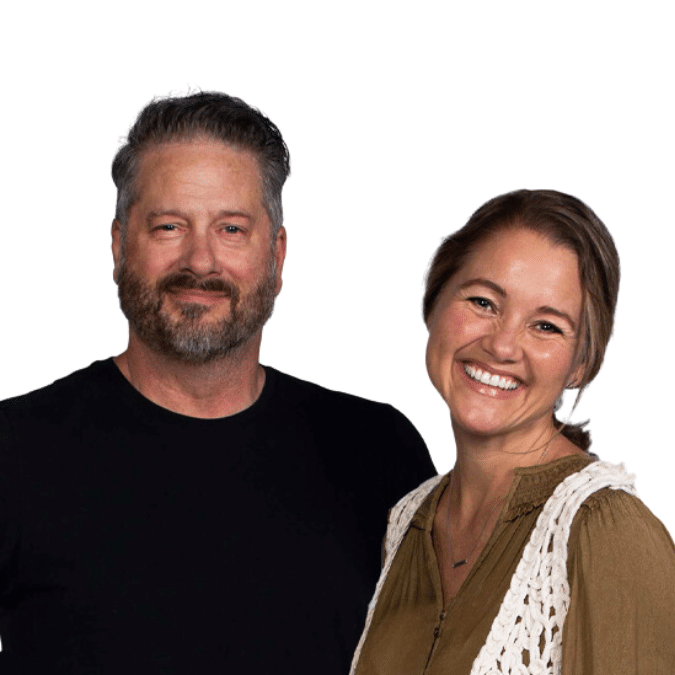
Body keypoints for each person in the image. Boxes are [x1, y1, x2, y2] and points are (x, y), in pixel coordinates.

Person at [0, 92, 435, 674]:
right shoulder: (15, 451)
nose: (200, 261)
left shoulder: (378, 451)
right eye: (169, 226)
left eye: (231, 229)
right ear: (119, 245)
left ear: (276, 256)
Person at [350, 189, 675, 674]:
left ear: (581, 364)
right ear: (434, 302)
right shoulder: (405, 524)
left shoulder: (607, 533)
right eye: (483, 302)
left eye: (546, 326)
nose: (502, 346)